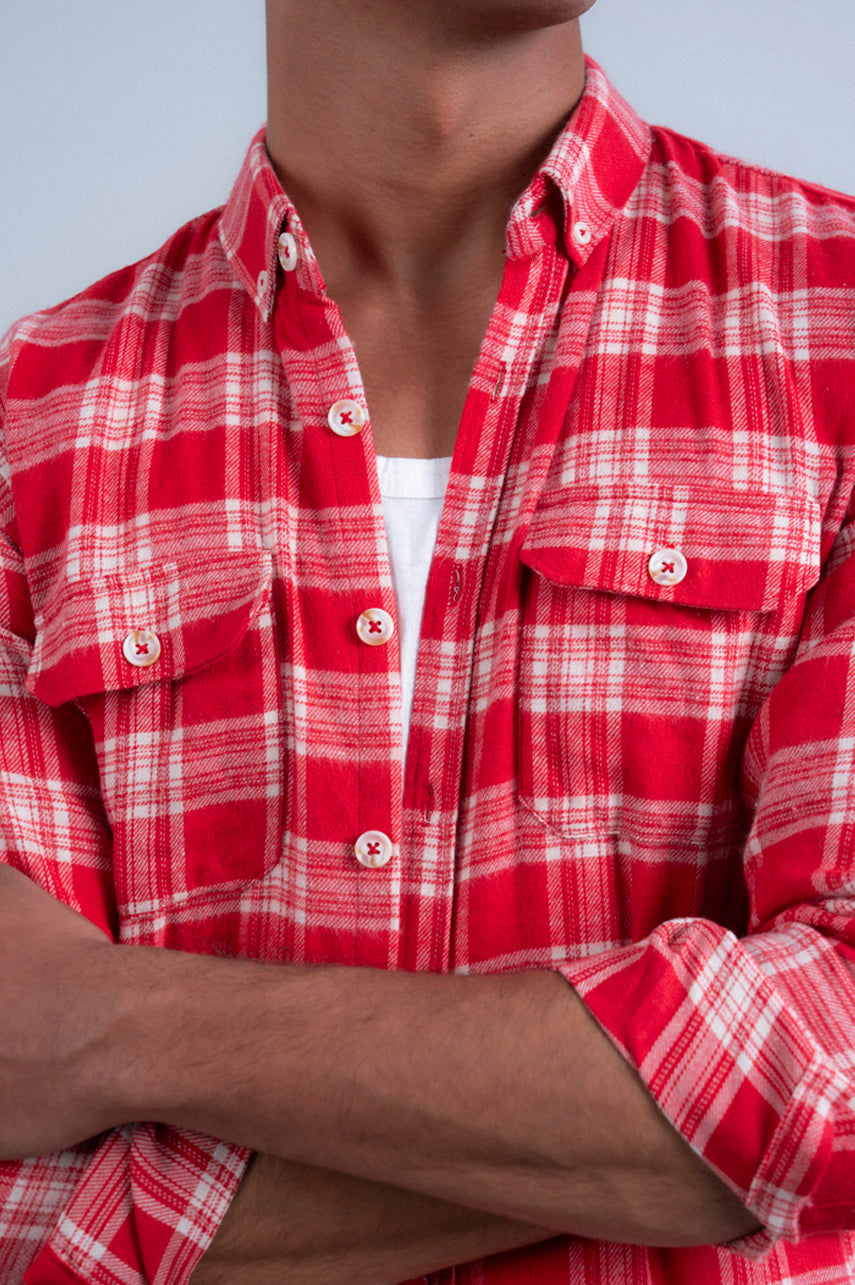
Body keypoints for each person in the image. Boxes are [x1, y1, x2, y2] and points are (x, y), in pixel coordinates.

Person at [1, 0, 854, 1281]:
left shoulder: (836, 325)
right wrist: (655, 1140)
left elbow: (842, 1060)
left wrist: (108, 1028)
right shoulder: (33, 428)